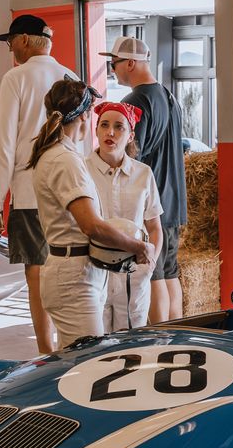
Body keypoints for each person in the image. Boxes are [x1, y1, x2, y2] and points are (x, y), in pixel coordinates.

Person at [27, 78, 154, 346]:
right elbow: (92, 226)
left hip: (80, 272)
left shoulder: (59, 154)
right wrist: (137, 246)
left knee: (78, 361)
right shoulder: (66, 160)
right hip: (74, 278)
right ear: (86, 117)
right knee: (87, 365)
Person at [0, 13, 77, 355]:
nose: (10, 48)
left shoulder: (15, 78)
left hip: (28, 192)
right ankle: (72, 342)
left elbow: (4, 143)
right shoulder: (72, 77)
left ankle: (45, 351)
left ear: (24, 40)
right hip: (71, 191)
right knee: (69, 265)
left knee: (37, 272)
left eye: (10, 41)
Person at [105, 36, 187, 323]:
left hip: (152, 204)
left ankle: (160, 340)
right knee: (170, 273)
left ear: (130, 63)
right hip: (173, 200)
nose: (111, 69)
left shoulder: (135, 101)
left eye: (113, 63)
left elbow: (128, 157)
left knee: (154, 276)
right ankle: (176, 335)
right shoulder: (168, 96)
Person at [88, 99, 164, 331]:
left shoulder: (143, 173)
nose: (110, 132)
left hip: (133, 274)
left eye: (119, 127)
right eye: (104, 125)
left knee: (131, 345)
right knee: (95, 344)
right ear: (96, 129)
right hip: (94, 273)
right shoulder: (82, 170)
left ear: (130, 135)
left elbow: (154, 226)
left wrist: (149, 265)